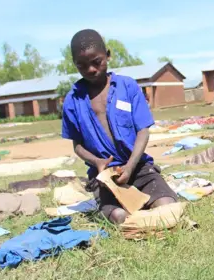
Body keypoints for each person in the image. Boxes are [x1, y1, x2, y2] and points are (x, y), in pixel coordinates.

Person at [61, 29, 177, 224]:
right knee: (119, 217)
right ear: (75, 65)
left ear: (107, 55)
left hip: (138, 168)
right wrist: (97, 163)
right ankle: (112, 209)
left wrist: (130, 167)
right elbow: (77, 146)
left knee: (167, 206)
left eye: (96, 62)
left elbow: (143, 131)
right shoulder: (73, 100)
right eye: (82, 66)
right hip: (105, 177)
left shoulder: (128, 87)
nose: (90, 69)